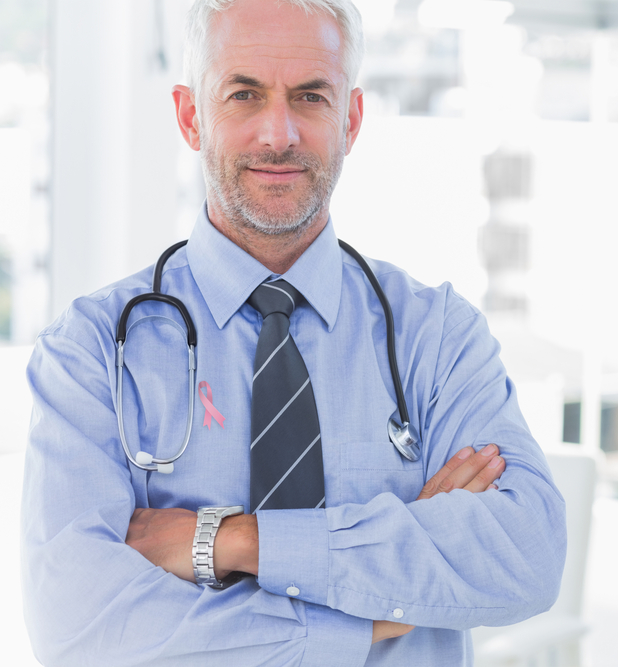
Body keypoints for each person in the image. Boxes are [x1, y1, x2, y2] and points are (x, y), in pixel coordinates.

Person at [20, 0, 566, 664]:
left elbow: (526, 551)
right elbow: (78, 627)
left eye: (310, 97)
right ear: (191, 116)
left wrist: (234, 541)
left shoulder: (437, 336)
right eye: (244, 94)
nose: (277, 133)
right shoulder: (91, 351)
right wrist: (369, 620)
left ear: (351, 120)